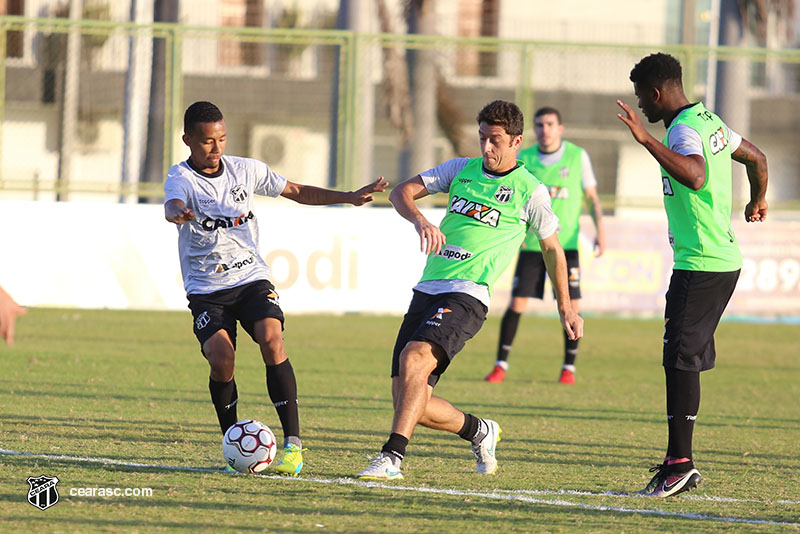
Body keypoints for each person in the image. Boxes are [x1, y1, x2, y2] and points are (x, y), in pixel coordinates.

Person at [356, 100, 583, 480]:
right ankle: (480, 430)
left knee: (414, 360)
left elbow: (551, 249)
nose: (486, 148)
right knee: (409, 399)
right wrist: (420, 221)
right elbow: (401, 193)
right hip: (428, 287)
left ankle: (391, 458)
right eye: (482, 138)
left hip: (468, 294)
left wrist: (566, 306)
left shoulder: (531, 191)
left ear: (516, 142)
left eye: (495, 140)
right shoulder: (461, 169)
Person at [164, 101, 387, 476]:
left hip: (251, 278)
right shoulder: (181, 178)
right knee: (222, 359)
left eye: (220, 139)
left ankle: (293, 447)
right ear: (188, 140)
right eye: (206, 142)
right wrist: (177, 213)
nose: (216, 148)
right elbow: (172, 203)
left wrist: (347, 197)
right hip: (207, 289)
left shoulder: (246, 170)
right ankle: (232, 439)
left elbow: (297, 190)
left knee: (272, 339)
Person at [617, 53, 768, 497]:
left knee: (679, 359)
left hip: (701, 262)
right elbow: (756, 158)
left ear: (658, 93)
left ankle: (679, 464)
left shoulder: (683, 129)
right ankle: (677, 460)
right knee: (684, 359)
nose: (642, 106)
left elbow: (697, 176)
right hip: (719, 259)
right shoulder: (711, 121)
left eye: (643, 98)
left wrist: (646, 140)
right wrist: (758, 198)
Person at [485, 106, 605, 385]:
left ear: (559, 128)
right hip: (531, 246)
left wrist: (601, 232)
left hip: (567, 246)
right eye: (539, 125)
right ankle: (500, 364)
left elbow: (591, 197)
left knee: (572, 306)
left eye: (550, 124)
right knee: (516, 304)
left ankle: (569, 368)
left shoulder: (577, 157)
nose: (544, 129)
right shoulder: (523, 158)